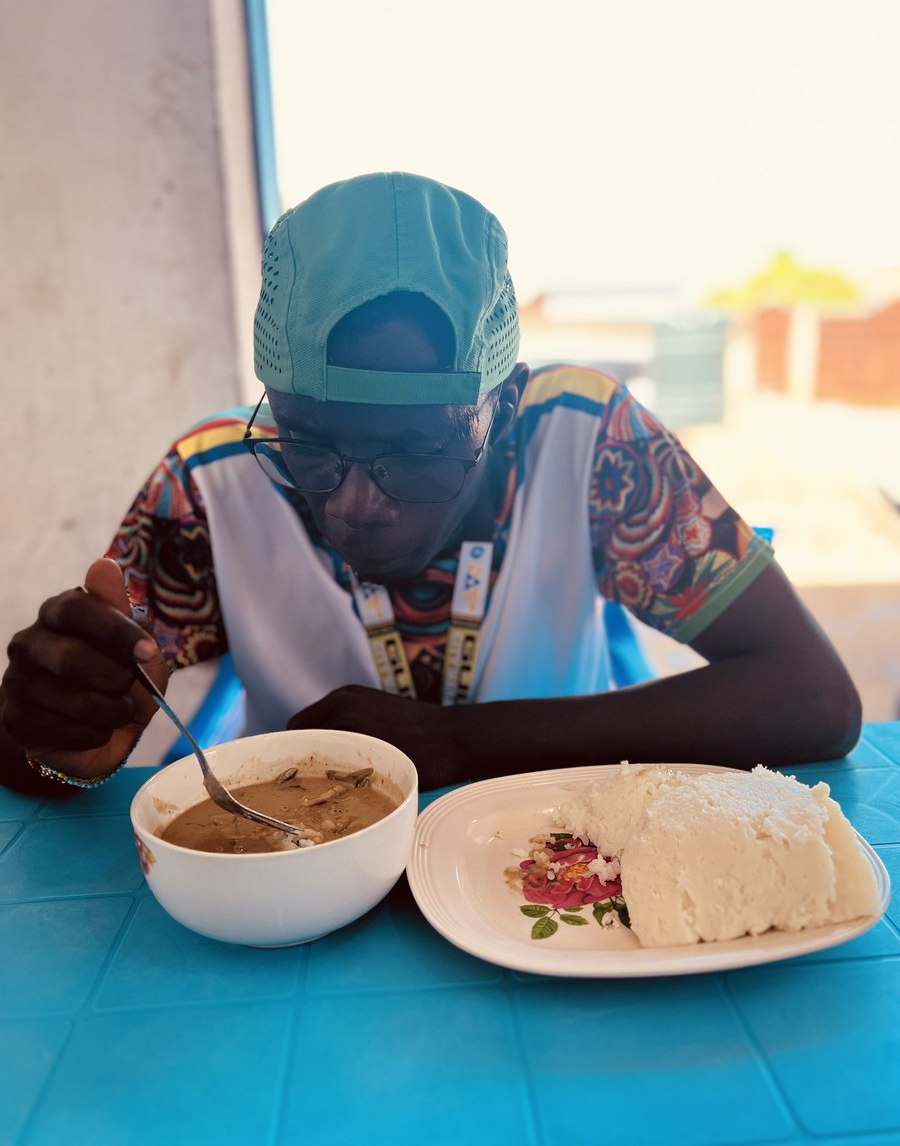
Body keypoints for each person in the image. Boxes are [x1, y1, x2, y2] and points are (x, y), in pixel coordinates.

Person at [0, 172, 861, 795]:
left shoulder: (587, 441)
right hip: (299, 886)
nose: (351, 504)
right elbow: (53, 755)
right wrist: (50, 741)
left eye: (415, 451)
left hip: (556, 870)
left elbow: (813, 698)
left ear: (506, 405)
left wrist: (454, 742)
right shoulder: (212, 482)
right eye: (306, 444)